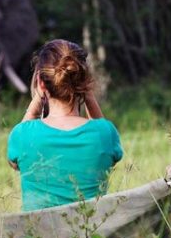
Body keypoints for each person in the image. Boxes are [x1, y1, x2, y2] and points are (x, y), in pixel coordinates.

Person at [6, 39, 123, 211]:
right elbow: (103, 133)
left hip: (39, 236)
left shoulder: (22, 134)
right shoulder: (105, 133)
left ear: (41, 83)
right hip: (90, 236)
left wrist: (34, 107)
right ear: (85, 82)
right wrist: (89, 96)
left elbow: (14, 163)